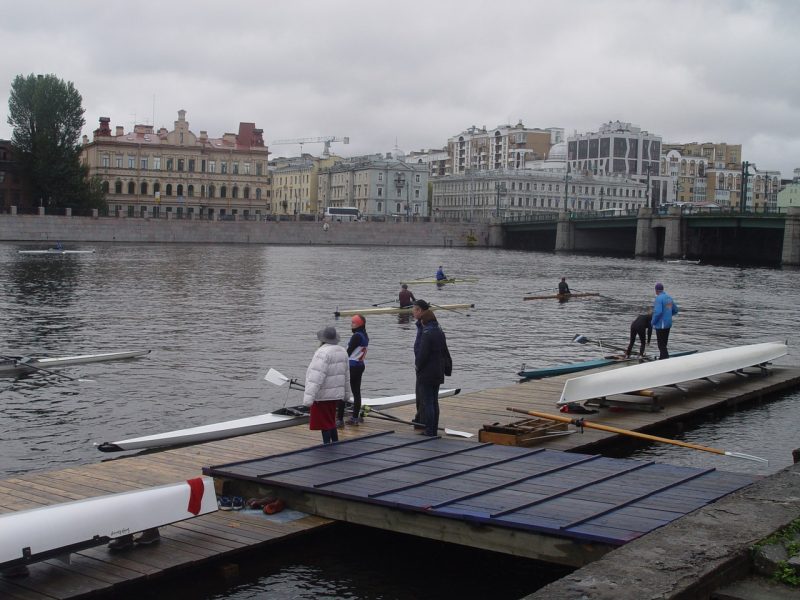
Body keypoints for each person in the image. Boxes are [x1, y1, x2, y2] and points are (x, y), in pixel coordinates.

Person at [303, 326, 351, 444]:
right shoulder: (342, 351)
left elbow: (316, 377)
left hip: (322, 396)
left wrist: (308, 399)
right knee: (331, 422)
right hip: (335, 396)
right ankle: (335, 443)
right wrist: (346, 394)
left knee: (324, 424)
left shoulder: (322, 353)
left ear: (323, 339)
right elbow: (346, 376)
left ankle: (327, 446)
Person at [414, 302, 452, 437]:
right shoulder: (439, 331)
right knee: (434, 401)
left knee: (428, 402)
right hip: (438, 371)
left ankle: (430, 430)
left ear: (425, 320)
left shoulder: (427, 333)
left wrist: (417, 366)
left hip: (427, 372)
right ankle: (434, 428)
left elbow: (422, 354)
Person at [337, 314, 368, 426]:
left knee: (343, 393)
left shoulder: (356, 336)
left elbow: (348, 352)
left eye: (353, 323)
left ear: (358, 324)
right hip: (360, 365)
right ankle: (355, 417)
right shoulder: (365, 335)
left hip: (352, 367)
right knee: (356, 392)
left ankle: (339, 420)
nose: (351, 325)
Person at [651, 282, 679, 360]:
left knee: (661, 345)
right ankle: (662, 358)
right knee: (664, 344)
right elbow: (675, 310)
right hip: (668, 324)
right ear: (662, 289)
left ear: (656, 290)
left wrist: (652, 322)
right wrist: (668, 315)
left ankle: (664, 360)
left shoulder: (658, 298)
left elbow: (658, 312)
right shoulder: (669, 297)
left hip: (661, 325)